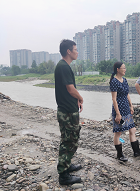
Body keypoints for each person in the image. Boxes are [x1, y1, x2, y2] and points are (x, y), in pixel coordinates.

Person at [54, 39, 84, 185]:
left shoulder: (63, 66)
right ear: (68, 51)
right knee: (68, 141)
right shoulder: (63, 67)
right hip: (67, 112)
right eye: (75, 49)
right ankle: (64, 175)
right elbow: (70, 89)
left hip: (69, 109)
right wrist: (80, 97)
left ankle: (67, 164)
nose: (77, 52)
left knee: (71, 139)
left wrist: (76, 100)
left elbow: (69, 90)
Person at [110, 62, 140, 161]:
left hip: (126, 110)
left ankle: (136, 151)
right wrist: (118, 114)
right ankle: (120, 154)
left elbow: (127, 94)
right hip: (119, 111)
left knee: (132, 130)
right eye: (123, 68)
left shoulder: (124, 80)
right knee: (118, 132)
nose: (125, 69)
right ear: (118, 69)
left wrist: (131, 105)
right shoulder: (114, 81)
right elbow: (114, 99)